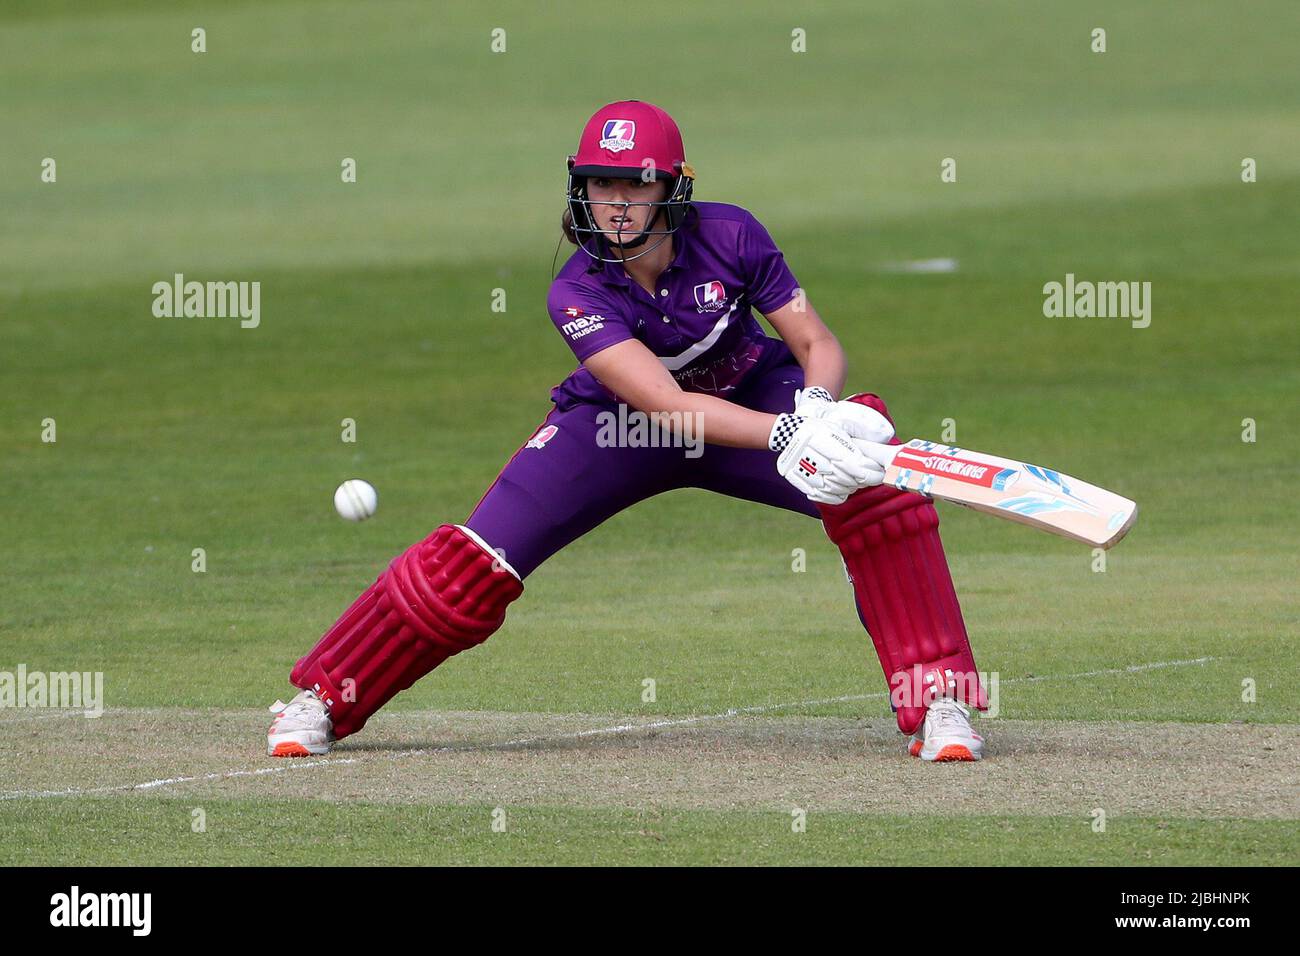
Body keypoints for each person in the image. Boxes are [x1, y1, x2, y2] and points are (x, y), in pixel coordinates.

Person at [266, 100, 987, 763]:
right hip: (617, 429)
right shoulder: (573, 289)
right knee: (471, 568)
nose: (613, 202)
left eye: (633, 185)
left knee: (877, 494)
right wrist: (786, 433)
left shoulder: (733, 232)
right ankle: (327, 696)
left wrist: (821, 412)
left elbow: (816, 341)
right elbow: (668, 407)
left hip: (751, 390)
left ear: (673, 188)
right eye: (599, 184)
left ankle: (940, 705)